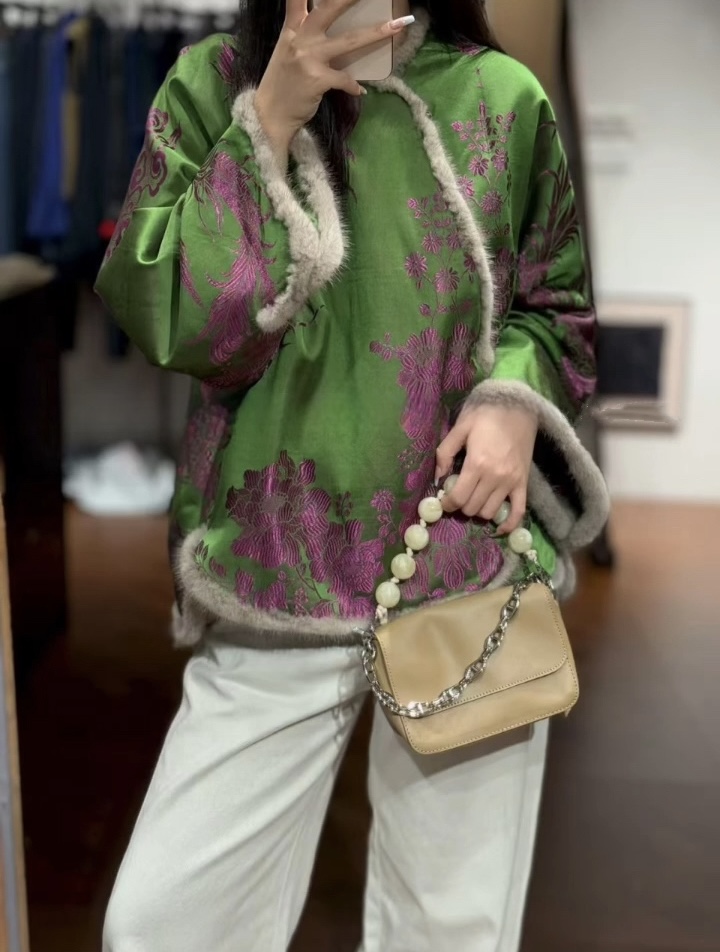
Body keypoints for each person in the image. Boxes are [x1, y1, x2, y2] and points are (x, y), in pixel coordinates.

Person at [97, 2, 609, 949]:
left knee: (450, 928)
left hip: (463, 563)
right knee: (165, 923)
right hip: (273, 566)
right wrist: (270, 118)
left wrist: (513, 399)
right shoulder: (214, 84)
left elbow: (556, 309)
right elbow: (172, 319)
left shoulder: (500, 98)